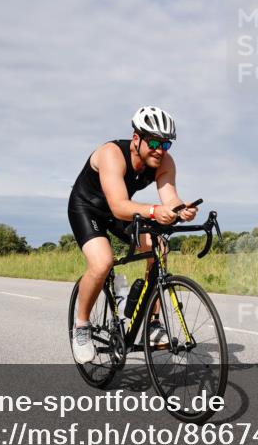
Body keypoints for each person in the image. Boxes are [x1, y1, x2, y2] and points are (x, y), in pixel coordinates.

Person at [68, 106, 198, 364]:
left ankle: (152, 323)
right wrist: (155, 211)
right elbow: (119, 205)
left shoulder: (164, 162)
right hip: (87, 208)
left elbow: (170, 199)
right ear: (136, 138)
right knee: (102, 262)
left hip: (120, 211)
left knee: (158, 248)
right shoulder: (111, 154)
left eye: (165, 144)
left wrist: (181, 209)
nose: (160, 150)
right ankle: (81, 326)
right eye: (153, 143)